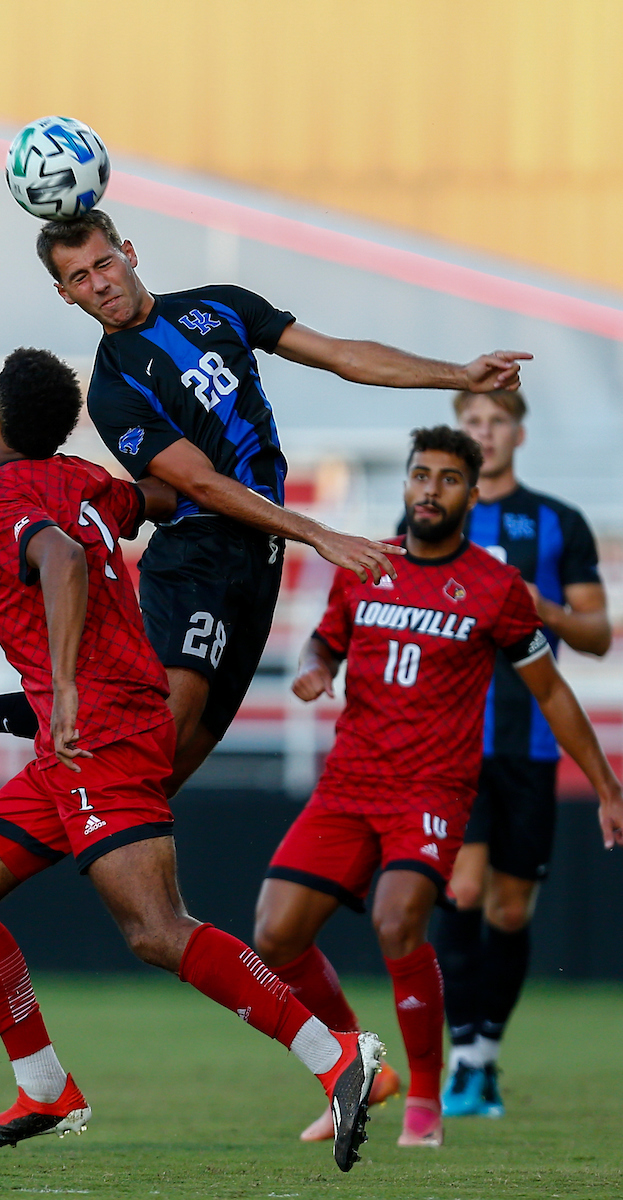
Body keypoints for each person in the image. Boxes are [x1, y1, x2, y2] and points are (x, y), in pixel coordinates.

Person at [0, 346, 384, 1171]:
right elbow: (152, 496)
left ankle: (337, 1056)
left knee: (157, 930)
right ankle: (44, 1087)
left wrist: (62, 680)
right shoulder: (81, 479)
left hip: (100, 733)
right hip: (93, 732)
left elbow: (54, 557)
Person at [0, 209, 531, 794]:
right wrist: (321, 534)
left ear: (129, 251)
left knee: (154, 783)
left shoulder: (220, 306)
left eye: (102, 263)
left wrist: (457, 373)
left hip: (258, 559)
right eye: (78, 278)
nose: (98, 283)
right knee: (139, 752)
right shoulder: (114, 389)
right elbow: (203, 485)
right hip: (199, 553)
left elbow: (338, 355)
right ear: (64, 295)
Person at [250, 425, 623, 1149]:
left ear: (470, 493)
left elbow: (548, 691)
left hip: (431, 789)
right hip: (349, 783)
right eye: (420, 474)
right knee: (273, 934)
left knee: (397, 920)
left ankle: (425, 1095)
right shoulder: (365, 564)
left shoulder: (493, 588)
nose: (429, 489)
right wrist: (316, 665)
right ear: (406, 484)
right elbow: (324, 638)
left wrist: (606, 785)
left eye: (447, 479)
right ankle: (356, 1067)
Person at [431, 389, 611, 1118]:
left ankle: (481, 1059)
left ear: (516, 433)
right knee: (462, 891)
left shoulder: (557, 522)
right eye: (471, 422)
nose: (484, 433)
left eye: (495, 422)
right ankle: (460, 1055)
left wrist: (542, 607)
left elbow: (596, 635)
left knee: (508, 911)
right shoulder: (435, 513)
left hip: (530, 741)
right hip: (449, 740)